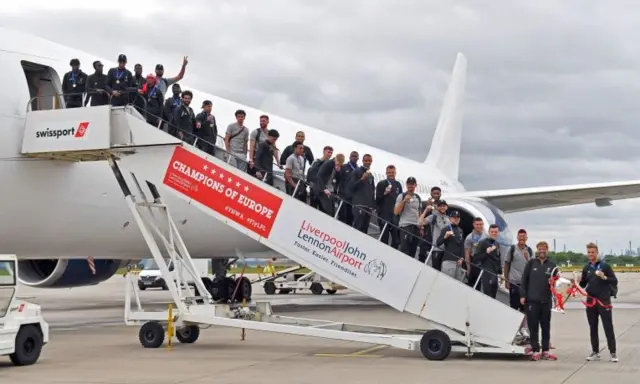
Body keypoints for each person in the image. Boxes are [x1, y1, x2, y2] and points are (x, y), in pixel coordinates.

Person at [579, 242, 618, 363]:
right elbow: (583, 284)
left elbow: (614, 281)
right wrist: (576, 280)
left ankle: (613, 352)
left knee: (608, 327)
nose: (591, 254)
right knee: (593, 327)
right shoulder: (586, 267)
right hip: (591, 300)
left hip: (603, 300)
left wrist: (604, 277)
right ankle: (595, 351)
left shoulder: (605, 266)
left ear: (597, 253)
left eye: (593, 252)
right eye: (589, 252)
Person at [520, 241, 558, 361]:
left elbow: (557, 283)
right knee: (533, 327)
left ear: (547, 250)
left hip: (546, 301)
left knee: (546, 326)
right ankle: (535, 350)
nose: (542, 251)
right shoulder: (531, 263)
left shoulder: (552, 265)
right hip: (532, 301)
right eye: (540, 249)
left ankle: (545, 350)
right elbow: (524, 280)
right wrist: (523, 295)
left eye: (544, 249)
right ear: (537, 250)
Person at [504, 229, 533, 311]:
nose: (522, 238)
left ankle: (525, 324)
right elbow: (507, 264)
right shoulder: (512, 249)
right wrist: (506, 280)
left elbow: (533, 266)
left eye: (524, 236)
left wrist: (527, 258)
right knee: (513, 306)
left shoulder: (530, 251)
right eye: (520, 236)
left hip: (526, 285)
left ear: (526, 238)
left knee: (525, 307)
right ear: (517, 237)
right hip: (514, 282)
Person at [375, 165, 402, 248]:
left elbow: (400, 200)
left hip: (395, 216)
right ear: (386, 173)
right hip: (384, 215)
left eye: (392, 172)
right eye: (389, 173)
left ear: (395, 173)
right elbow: (377, 200)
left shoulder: (398, 185)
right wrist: (384, 194)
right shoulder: (381, 184)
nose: (391, 174)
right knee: (384, 239)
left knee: (396, 240)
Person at [472, 224, 502, 298]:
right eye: (492, 232)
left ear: (498, 233)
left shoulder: (497, 244)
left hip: (495, 274)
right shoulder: (483, 242)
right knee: (487, 296)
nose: (494, 233)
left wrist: (500, 272)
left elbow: (498, 258)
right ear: (489, 232)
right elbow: (475, 258)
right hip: (486, 273)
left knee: (493, 297)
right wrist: (486, 253)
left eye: (496, 232)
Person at [395, 177, 421, 257]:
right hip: (406, 226)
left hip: (416, 228)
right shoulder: (401, 196)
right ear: (406, 185)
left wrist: (421, 227)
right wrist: (404, 201)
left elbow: (419, 213)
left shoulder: (418, 198)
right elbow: (396, 212)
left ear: (415, 185)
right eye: (409, 184)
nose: (411, 186)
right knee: (404, 251)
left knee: (413, 252)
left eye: (412, 184)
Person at [435, 210, 465, 281]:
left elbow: (461, 245)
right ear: (450, 218)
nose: (456, 219)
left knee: (457, 284)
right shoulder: (446, 229)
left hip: (458, 262)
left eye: (458, 217)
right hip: (449, 260)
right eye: (454, 217)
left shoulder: (460, 230)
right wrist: (445, 236)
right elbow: (438, 243)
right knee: (447, 282)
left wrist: (462, 258)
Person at [350, 154, 375, 234]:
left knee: (365, 230)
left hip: (368, 207)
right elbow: (351, 187)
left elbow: (372, 190)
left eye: (369, 161)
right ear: (363, 161)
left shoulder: (371, 176)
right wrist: (362, 179)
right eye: (366, 160)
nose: (367, 162)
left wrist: (372, 206)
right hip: (359, 205)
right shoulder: (357, 171)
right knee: (358, 228)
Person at [423, 200, 450, 270]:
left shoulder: (449, 219)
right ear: (437, 207)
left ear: (447, 207)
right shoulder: (433, 217)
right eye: (440, 206)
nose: (442, 207)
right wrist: (426, 210)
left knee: (444, 272)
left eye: (444, 206)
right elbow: (420, 223)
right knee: (435, 270)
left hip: (447, 251)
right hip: (436, 248)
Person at [462, 217, 486, 290]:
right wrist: (469, 268)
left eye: (480, 224)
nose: (478, 226)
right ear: (473, 225)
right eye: (477, 224)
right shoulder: (469, 237)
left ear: (483, 225)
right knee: (474, 285)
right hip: (474, 262)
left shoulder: (486, 236)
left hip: (484, 262)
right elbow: (467, 254)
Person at [337, 151, 359, 226]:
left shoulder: (358, 170)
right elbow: (338, 179)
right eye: (352, 156)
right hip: (342, 196)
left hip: (352, 199)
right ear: (349, 157)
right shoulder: (344, 167)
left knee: (350, 219)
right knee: (342, 217)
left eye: (355, 156)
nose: (354, 157)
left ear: (358, 158)